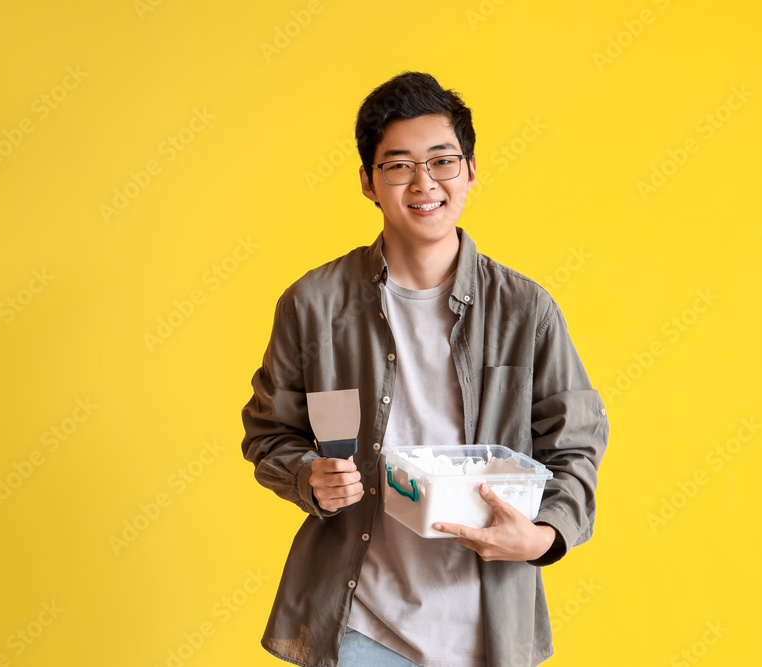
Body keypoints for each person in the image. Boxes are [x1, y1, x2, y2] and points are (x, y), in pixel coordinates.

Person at [241, 71, 609, 667]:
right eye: (398, 165)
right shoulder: (313, 306)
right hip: (361, 623)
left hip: (490, 625)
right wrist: (308, 476)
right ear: (368, 182)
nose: (424, 183)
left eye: (442, 161)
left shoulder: (525, 309)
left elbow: (577, 440)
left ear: (469, 172)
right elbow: (269, 434)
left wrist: (542, 537)